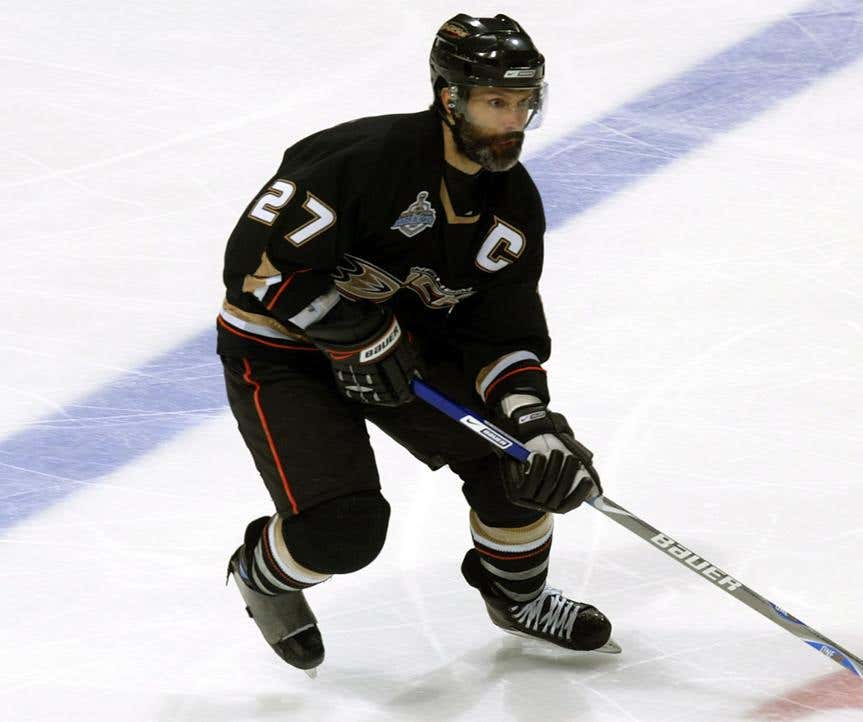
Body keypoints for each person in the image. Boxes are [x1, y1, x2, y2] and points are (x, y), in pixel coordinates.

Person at [216, 13, 615, 675]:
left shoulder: (512, 209)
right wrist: (352, 334)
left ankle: (516, 596)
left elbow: (502, 335)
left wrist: (534, 423)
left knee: (518, 468)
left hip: (403, 349)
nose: (512, 122)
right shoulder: (360, 161)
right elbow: (254, 265)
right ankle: (262, 575)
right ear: (447, 96)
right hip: (285, 352)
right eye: (495, 102)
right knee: (344, 532)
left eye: (523, 104)